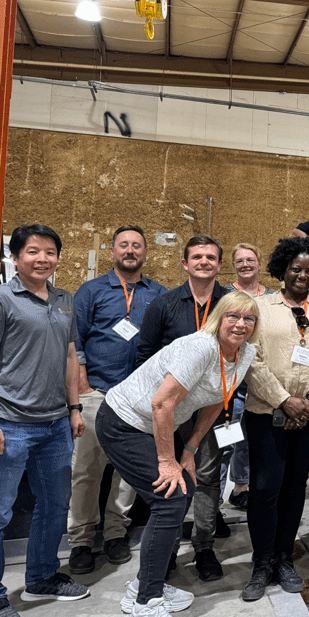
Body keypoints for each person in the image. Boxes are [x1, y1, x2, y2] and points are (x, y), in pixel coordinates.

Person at [97, 292, 259, 617]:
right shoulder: (200, 347)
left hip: (156, 424)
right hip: (123, 421)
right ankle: (146, 599)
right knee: (169, 498)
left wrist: (190, 449)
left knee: (182, 493)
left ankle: (147, 583)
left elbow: (218, 399)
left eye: (249, 319)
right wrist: (167, 461)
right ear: (219, 319)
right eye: (233, 316)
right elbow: (162, 403)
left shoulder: (246, 352)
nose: (241, 324)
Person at [240, 237, 309, 601]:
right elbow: (249, 357)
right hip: (266, 412)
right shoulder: (259, 305)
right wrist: (285, 400)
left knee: (296, 487)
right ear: (282, 269)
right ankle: (261, 562)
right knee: (266, 489)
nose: (302, 275)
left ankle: (284, 558)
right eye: (295, 268)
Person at [68, 225, 167, 576]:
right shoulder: (91, 290)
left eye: (136, 246)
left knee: (127, 473)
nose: (130, 251)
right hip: (97, 392)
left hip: (137, 399)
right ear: (112, 252)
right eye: (123, 245)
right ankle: (80, 540)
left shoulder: (158, 294)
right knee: (86, 471)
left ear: (145, 253)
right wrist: (82, 389)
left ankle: (115, 533)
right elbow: (74, 340)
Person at [0, 225, 89, 612]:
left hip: (55, 425)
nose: (42, 259)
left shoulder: (64, 300)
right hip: (10, 423)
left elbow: (70, 357)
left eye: (50, 252)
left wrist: (73, 408)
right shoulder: (4, 299)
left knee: (54, 505)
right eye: (33, 251)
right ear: (16, 258)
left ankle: (41, 577)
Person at [136, 234, 228, 582]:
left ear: (220, 264)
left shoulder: (230, 304)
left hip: (210, 410)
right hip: (171, 413)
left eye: (210, 257)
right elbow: (145, 357)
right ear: (185, 263)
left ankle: (204, 546)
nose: (204, 262)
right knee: (170, 477)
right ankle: (170, 547)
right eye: (197, 257)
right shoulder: (164, 305)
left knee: (206, 478)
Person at [221, 243, 271, 513]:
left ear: (259, 263)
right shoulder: (225, 294)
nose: (245, 264)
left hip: (261, 380)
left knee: (251, 440)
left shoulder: (272, 296)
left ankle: (242, 487)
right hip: (231, 381)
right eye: (239, 260)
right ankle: (212, 506)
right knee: (226, 441)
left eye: (250, 259)